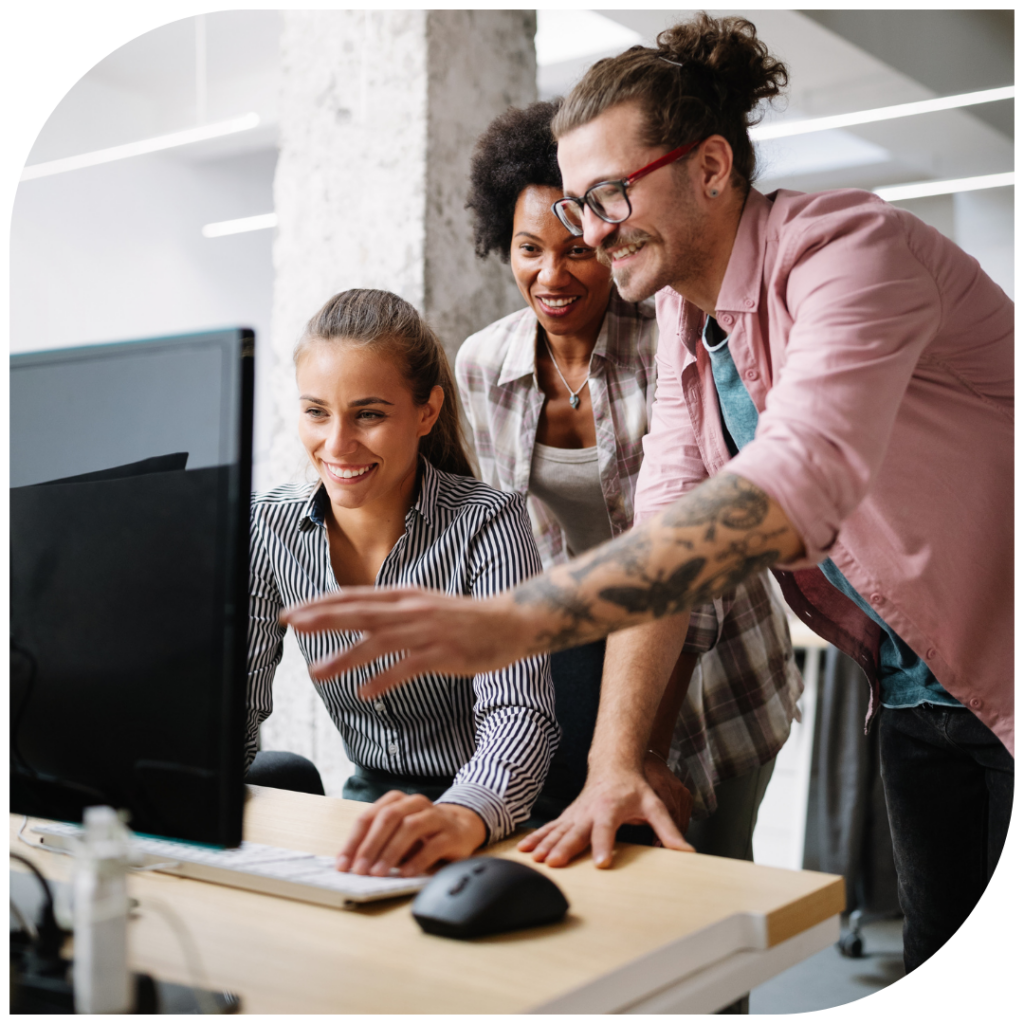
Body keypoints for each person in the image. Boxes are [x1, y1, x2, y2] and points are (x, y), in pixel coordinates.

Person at [281, 15, 1013, 976]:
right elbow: (666, 519)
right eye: (577, 203)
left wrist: (522, 619)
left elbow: (800, 482)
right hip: (917, 685)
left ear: (711, 167)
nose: (588, 232)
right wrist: (614, 765)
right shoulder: (684, 316)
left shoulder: (851, 250)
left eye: (609, 195)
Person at [456, 99, 802, 858]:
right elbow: (511, 547)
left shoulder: (673, 339)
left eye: (575, 249)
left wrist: (645, 745)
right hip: (589, 672)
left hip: (718, 666)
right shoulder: (483, 366)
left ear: (608, 240)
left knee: (712, 878)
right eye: (528, 249)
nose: (551, 275)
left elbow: (697, 567)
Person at [246, 288, 558, 877]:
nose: (337, 445)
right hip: (368, 813)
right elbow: (228, 705)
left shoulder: (488, 522)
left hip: (492, 818)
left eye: (368, 415)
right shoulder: (267, 525)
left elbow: (517, 713)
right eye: (316, 412)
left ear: (426, 412)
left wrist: (461, 816)